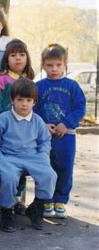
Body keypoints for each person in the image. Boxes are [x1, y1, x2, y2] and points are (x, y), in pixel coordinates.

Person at [0, 78, 57, 232]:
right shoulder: (4, 119)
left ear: (34, 102)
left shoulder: (37, 121)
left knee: (49, 175)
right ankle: (7, 210)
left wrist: (43, 154)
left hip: (33, 157)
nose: (24, 104)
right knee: (9, 177)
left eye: (28, 100)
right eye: (20, 100)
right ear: (12, 100)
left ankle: (37, 207)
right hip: (9, 157)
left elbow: (45, 140)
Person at [34, 44, 86, 219]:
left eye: (58, 65)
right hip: (45, 136)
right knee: (46, 168)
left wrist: (67, 123)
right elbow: (33, 109)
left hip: (66, 136)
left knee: (65, 168)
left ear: (65, 64)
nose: (54, 69)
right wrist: (43, 124)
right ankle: (46, 200)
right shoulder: (39, 86)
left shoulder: (72, 86)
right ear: (43, 65)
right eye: (49, 65)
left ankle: (60, 201)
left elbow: (80, 108)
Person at [0, 39, 35, 118]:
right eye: (13, 55)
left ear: (27, 59)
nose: (18, 58)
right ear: (6, 60)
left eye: (22, 55)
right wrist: (0, 122)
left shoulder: (29, 80)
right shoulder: (1, 80)